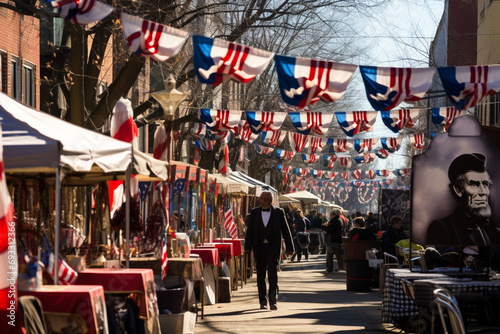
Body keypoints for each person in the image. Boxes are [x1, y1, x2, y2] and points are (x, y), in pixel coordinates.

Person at [426, 153, 500, 247]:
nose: (483, 192)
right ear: (458, 190)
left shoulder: (494, 229)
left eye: (485, 184)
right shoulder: (442, 229)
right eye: (474, 184)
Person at [245, 191, 294, 310]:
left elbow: (286, 230)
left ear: (269, 201)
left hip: (273, 247)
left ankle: (273, 301)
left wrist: (290, 247)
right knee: (260, 275)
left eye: (262, 199)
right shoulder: (255, 212)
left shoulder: (278, 212)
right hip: (259, 247)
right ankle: (262, 301)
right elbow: (250, 231)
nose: (260, 201)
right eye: (260, 199)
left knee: (272, 275)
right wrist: (247, 247)